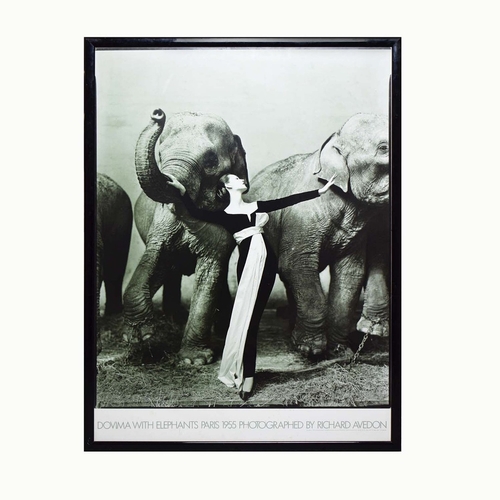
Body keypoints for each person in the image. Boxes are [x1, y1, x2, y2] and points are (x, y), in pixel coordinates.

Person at [167, 173, 337, 401]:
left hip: (268, 266)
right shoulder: (224, 215)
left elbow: (286, 201)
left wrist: (319, 192)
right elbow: (195, 212)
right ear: (227, 187)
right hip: (248, 267)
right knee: (249, 323)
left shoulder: (255, 206)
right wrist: (182, 191)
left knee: (253, 320)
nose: (242, 180)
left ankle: (248, 374)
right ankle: (248, 377)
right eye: (236, 179)